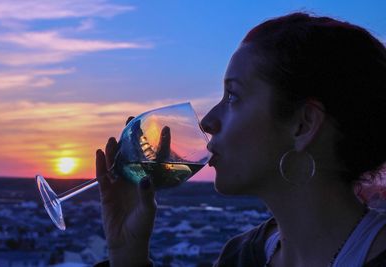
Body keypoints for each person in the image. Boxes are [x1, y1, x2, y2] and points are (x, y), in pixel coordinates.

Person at [95, 12, 386, 267]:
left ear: (303, 125)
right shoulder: (241, 256)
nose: (208, 121)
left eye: (233, 96)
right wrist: (127, 256)